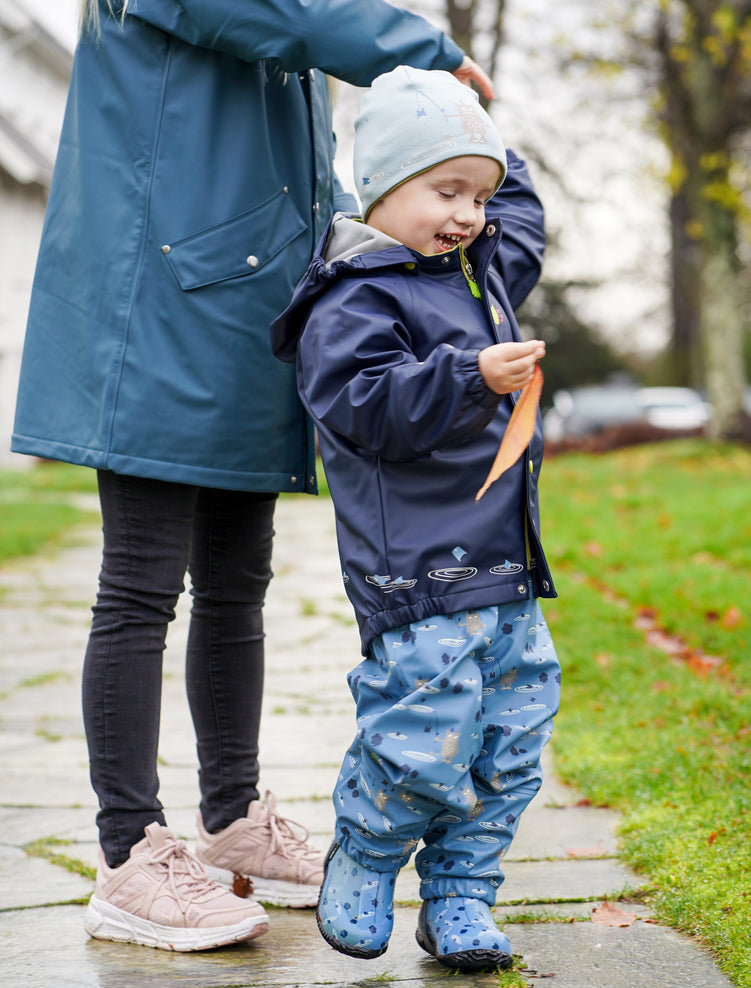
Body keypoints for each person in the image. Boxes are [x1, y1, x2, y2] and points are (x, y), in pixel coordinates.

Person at [11, 0, 496, 953]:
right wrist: (427, 51)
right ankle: (126, 858)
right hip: (156, 298)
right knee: (139, 584)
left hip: (245, 300)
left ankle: (231, 817)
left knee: (238, 584)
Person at [271, 66, 561, 972]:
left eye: (478, 196)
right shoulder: (353, 295)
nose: (470, 213)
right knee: (421, 737)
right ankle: (364, 853)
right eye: (446, 191)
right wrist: (470, 376)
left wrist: (482, 126)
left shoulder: (476, 273)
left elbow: (524, 218)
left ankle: (462, 895)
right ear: (384, 186)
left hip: (508, 569)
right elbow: (367, 410)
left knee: (510, 744)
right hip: (418, 577)